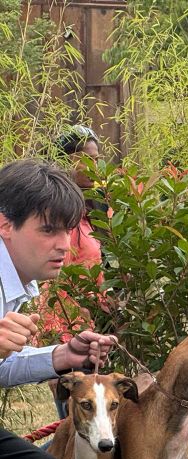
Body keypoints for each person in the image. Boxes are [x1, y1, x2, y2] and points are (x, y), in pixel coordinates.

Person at [0, 158, 117, 459]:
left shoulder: (17, 284)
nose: (64, 244)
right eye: (48, 229)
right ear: (5, 225)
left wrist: (63, 356)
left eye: (67, 230)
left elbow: (4, 363)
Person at [40, 125, 107, 418]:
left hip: (100, 333)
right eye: (86, 159)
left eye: (97, 158)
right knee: (77, 429)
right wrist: (52, 351)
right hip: (67, 335)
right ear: (65, 161)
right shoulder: (53, 218)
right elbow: (45, 286)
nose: (94, 166)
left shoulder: (97, 212)